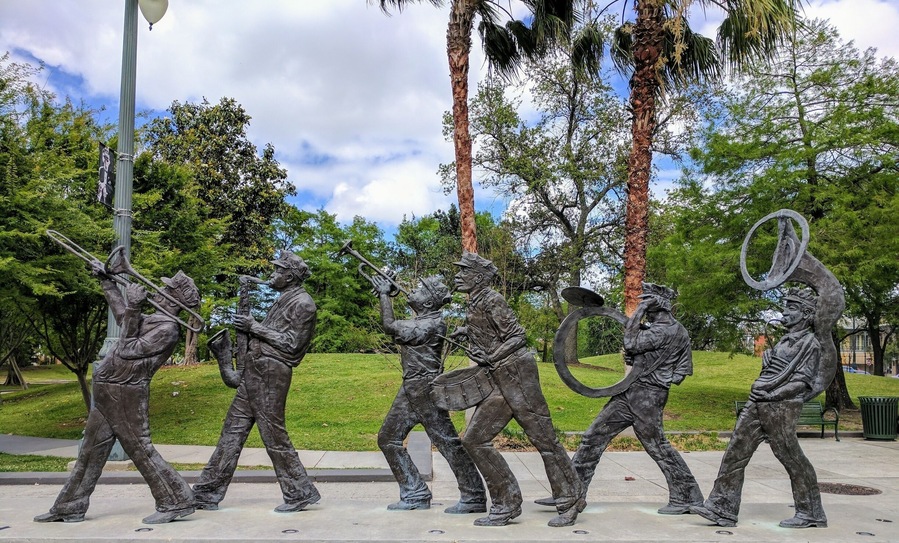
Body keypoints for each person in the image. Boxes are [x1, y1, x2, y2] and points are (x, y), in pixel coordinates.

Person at [34, 265, 201, 525]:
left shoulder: (168, 329)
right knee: (90, 450)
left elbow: (127, 347)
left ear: (173, 299)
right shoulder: (154, 319)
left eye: (166, 289)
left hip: (126, 393)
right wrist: (107, 284)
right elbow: (125, 320)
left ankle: (176, 500)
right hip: (108, 390)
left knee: (140, 448)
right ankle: (70, 505)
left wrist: (134, 307)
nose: (160, 290)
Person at [535, 283, 703, 515]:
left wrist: (639, 311)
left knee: (658, 447)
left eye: (647, 302)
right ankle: (570, 494)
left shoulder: (663, 330)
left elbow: (631, 343)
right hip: (631, 393)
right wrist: (642, 363)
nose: (644, 307)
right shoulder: (676, 330)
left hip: (647, 396)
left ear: (656, 305)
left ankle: (687, 497)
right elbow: (680, 370)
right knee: (593, 437)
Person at [451, 252, 585, 527]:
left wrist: (494, 355)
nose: (457, 276)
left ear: (477, 277)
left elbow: (516, 336)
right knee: (474, 439)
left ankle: (570, 501)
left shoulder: (492, 299)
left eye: (463, 271)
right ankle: (507, 503)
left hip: (517, 375)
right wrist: (467, 332)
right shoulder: (475, 302)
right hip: (499, 379)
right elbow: (490, 333)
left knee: (545, 440)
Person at [193, 251, 320, 513]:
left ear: (290, 276)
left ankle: (299, 492)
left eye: (277, 271)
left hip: (271, 374)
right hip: (255, 372)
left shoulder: (304, 304)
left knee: (274, 434)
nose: (272, 275)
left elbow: (293, 345)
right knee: (232, 432)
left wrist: (254, 327)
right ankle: (206, 492)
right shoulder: (283, 300)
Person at [691, 287, 827, 529]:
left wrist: (771, 393)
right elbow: (777, 373)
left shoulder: (810, 344)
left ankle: (811, 512)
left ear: (806, 314)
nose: (785, 313)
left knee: (790, 457)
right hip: (759, 401)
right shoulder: (785, 341)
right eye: (785, 306)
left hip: (780, 407)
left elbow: (801, 382)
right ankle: (722, 506)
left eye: (791, 308)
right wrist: (767, 369)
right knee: (735, 450)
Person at [370, 275, 487, 513]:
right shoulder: (424, 319)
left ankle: (473, 494)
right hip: (411, 387)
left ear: (426, 303)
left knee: (447, 442)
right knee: (388, 439)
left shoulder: (432, 324)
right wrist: (388, 295)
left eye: (420, 289)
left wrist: (384, 295)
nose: (413, 289)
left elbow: (390, 327)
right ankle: (415, 493)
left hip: (424, 388)